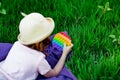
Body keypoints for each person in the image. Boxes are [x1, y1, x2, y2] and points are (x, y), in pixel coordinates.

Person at [0, 12, 74, 80]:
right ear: (39, 44)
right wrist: (64, 54)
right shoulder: (39, 60)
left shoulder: (17, 44)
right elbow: (54, 73)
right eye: (47, 39)